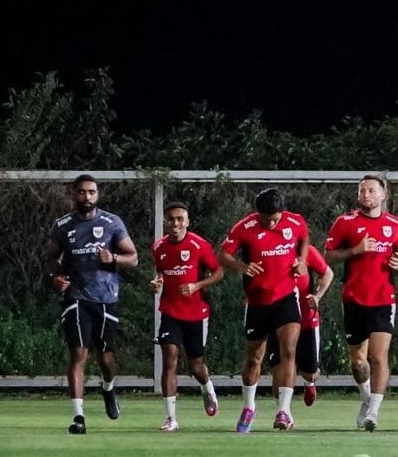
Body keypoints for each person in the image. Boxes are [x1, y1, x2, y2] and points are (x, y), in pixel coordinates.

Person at [43, 174, 138, 435]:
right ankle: (78, 416)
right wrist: (56, 277)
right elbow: (51, 258)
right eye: (82, 192)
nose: (87, 197)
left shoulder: (111, 222)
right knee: (78, 353)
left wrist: (113, 258)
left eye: (92, 192)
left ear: (98, 195)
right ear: (74, 194)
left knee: (106, 358)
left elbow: (133, 258)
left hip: (106, 298)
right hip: (76, 297)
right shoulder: (62, 225)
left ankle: (108, 388)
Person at [219, 187, 311, 433]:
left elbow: (304, 239)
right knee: (254, 358)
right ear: (257, 213)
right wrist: (242, 266)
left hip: (286, 297)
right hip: (257, 301)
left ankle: (284, 410)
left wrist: (301, 260)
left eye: (275, 218)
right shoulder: (244, 227)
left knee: (288, 350)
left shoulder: (295, 221)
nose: (271, 223)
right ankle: (249, 406)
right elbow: (223, 255)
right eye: (266, 218)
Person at [324, 175, 398, 431]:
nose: (366, 195)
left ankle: (373, 412)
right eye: (362, 191)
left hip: (383, 298)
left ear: (384, 194)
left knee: (378, 356)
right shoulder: (345, 222)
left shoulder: (394, 223)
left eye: (371, 190)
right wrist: (354, 251)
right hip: (354, 298)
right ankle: (365, 397)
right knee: (358, 362)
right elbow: (328, 255)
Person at [149, 201, 224, 431]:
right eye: (171, 219)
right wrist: (157, 283)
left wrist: (196, 286)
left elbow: (219, 272)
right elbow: (160, 273)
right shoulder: (158, 247)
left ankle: (207, 387)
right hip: (170, 311)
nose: (175, 223)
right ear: (165, 222)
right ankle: (171, 418)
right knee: (169, 358)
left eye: (180, 219)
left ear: (187, 221)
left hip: (196, 312)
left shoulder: (199, 245)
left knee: (196, 366)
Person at [266, 245, 334, 410]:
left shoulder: (307, 251)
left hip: (306, 321)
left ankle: (309, 383)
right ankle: (283, 412)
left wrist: (317, 295)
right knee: (278, 369)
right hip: (278, 319)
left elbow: (327, 273)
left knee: (310, 372)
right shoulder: (269, 250)